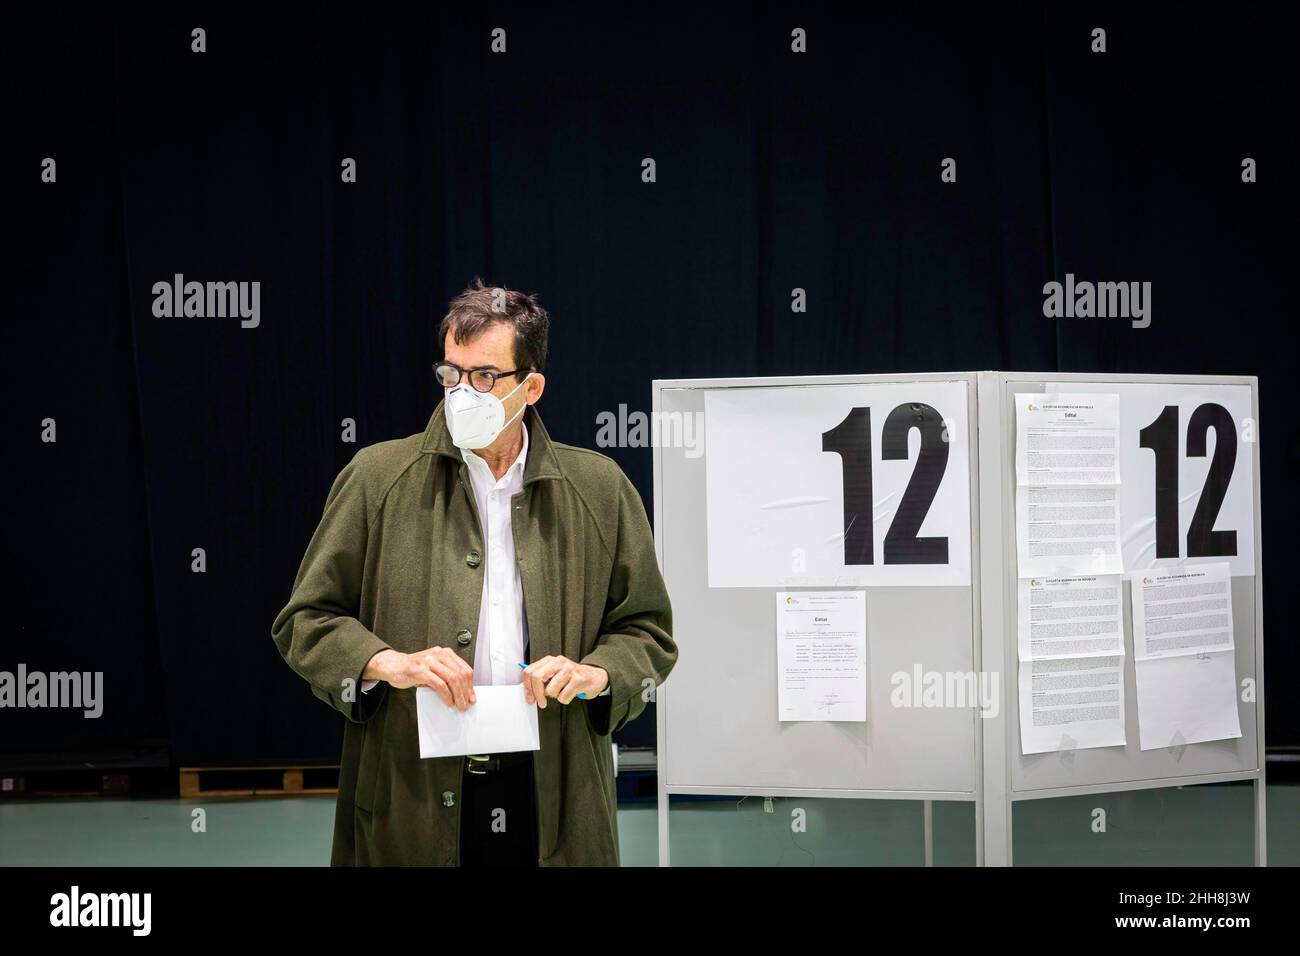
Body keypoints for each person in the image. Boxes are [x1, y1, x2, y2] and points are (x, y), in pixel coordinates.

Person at [271, 278, 677, 865]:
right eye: (450, 374)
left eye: (484, 377)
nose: (462, 392)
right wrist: (388, 663)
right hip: (413, 786)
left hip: (551, 787)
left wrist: (598, 673)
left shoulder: (601, 490)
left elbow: (648, 631)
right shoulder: (377, 477)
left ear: (530, 387)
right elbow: (305, 620)